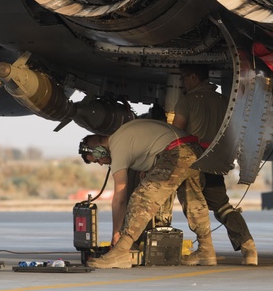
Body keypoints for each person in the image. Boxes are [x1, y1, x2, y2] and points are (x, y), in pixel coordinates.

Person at [78, 118, 217, 268]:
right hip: (193, 149)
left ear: (101, 150)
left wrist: (116, 234)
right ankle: (206, 250)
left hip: (176, 152)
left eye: (97, 159)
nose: (100, 163)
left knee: (141, 198)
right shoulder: (124, 135)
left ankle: (121, 251)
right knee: (193, 201)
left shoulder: (117, 146)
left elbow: (120, 198)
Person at [173, 64, 258, 266]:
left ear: (194, 77)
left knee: (194, 205)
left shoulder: (187, 100)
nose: (182, 83)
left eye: (184, 78)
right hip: (216, 160)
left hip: (193, 161)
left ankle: (205, 252)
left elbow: (175, 133)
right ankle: (248, 247)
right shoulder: (223, 101)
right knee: (222, 207)